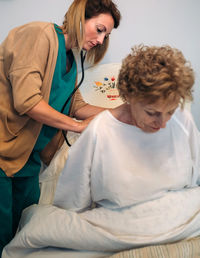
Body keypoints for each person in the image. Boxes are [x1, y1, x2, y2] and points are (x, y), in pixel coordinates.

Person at [2, 45, 200, 257]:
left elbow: (194, 180)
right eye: (152, 113)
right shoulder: (100, 131)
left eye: (169, 111)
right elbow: (72, 204)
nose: (162, 124)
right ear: (130, 97)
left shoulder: (182, 120)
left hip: (180, 212)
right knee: (39, 241)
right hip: (119, 221)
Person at [0, 0, 121, 254]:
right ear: (80, 16)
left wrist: (123, 113)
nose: (101, 40)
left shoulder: (71, 60)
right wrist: (78, 127)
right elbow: (27, 101)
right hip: (2, 153)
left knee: (21, 236)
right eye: (99, 29)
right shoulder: (38, 35)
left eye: (106, 35)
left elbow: (77, 105)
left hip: (26, 160)